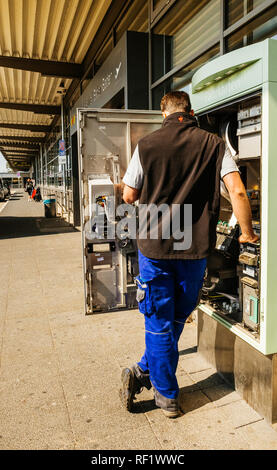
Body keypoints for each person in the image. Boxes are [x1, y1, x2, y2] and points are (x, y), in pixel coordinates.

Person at [119, 91, 259, 418]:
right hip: (193, 250)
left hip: (155, 247)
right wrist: (249, 234)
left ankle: (165, 395)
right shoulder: (214, 144)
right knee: (176, 318)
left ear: (163, 114)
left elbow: (128, 195)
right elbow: (237, 190)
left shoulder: (148, 145)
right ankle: (145, 372)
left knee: (158, 323)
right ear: (191, 112)